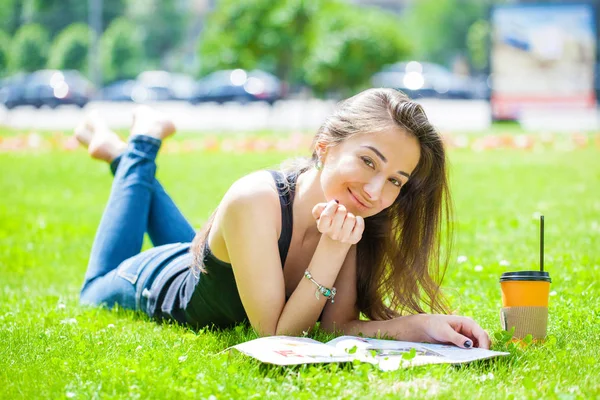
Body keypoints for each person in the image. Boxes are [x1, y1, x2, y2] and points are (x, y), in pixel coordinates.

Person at [76, 88, 490, 349]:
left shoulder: (354, 214)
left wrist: (421, 325)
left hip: (207, 258)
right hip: (156, 282)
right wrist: (333, 248)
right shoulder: (254, 199)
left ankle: (121, 155)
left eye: (396, 181)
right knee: (93, 289)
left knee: (197, 248)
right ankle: (140, 144)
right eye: (367, 161)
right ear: (325, 148)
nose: (374, 191)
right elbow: (277, 337)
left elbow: (335, 326)